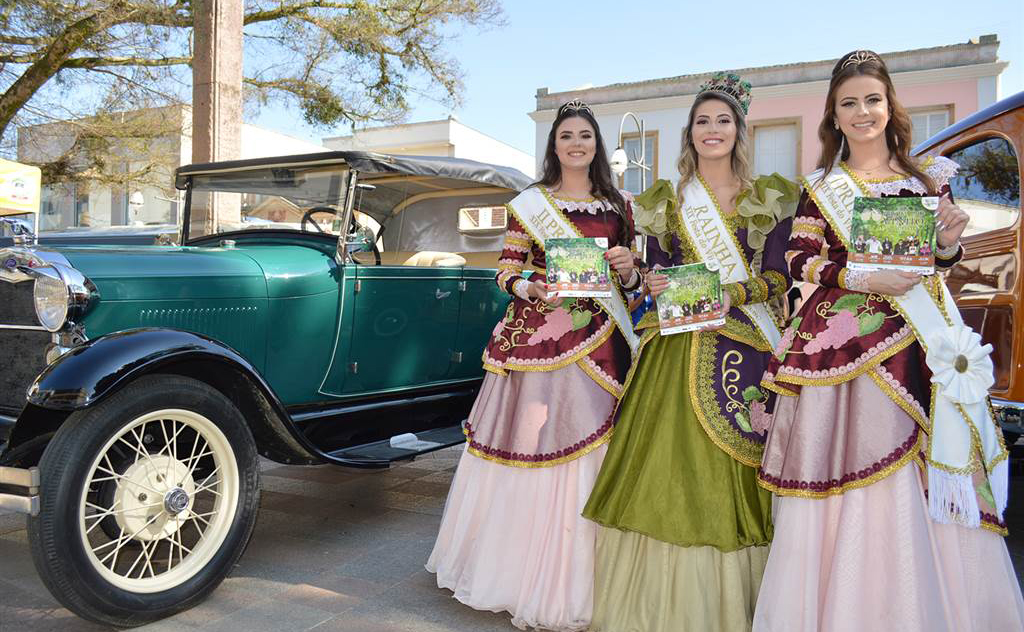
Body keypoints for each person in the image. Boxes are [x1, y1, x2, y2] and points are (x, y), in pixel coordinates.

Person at [754, 50, 1024, 632]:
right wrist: (859, 276)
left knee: (917, 463)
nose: (862, 111)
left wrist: (948, 242)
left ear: (889, 105)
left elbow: (936, 262)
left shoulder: (929, 180)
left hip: (917, 342)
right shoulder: (820, 186)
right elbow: (799, 258)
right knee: (846, 462)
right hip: (839, 346)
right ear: (833, 114)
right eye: (848, 102)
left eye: (872, 99)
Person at [582, 72, 797, 632]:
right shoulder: (663, 202)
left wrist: (733, 292)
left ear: (739, 130)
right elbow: (655, 271)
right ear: (689, 133)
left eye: (723, 120)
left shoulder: (770, 197)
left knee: (735, 469)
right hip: (675, 343)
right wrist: (645, 278)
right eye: (702, 121)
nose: (712, 129)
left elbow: (778, 277)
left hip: (743, 341)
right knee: (662, 466)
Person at [426, 99, 642, 632]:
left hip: (601, 340)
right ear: (554, 146)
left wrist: (629, 269)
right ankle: (519, 572)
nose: (576, 144)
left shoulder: (619, 206)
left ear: (596, 145)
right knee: (532, 442)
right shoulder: (530, 202)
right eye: (566, 135)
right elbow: (506, 268)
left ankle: (582, 575)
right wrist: (529, 285)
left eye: (585, 136)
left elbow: (634, 278)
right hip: (538, 340)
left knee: (594, 444)